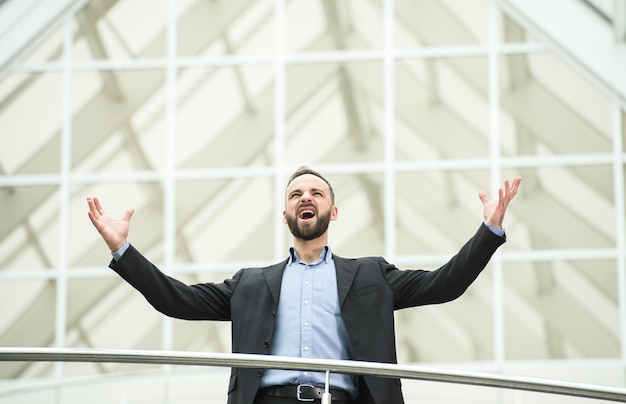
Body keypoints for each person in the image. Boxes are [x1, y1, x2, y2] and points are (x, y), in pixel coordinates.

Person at [87, 166, 521, 404]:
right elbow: (174, 299)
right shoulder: (250, 284)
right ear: (286, 215)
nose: (306, 197)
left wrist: (488, 233)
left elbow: (445, 284)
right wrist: (124, 251)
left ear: (333, 212)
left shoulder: (371, 275)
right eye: (296, 194)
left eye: (316, 192)